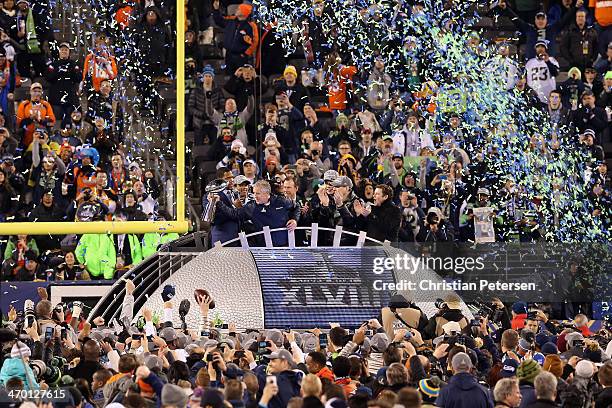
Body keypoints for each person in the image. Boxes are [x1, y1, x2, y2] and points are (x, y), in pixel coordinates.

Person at [214, 179, 299, 246]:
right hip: (263, 248)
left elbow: (297, 207)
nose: (255, 196)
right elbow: (234, 214)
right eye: (254, 193)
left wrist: (294, 220)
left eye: (257, 193)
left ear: (266, 193)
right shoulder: (251, 207)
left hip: (285, 246)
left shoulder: (282, 201)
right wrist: (219, 203)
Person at [525, 41, 559, 105]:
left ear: (545, 48)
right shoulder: (530, 62)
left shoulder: (551, 60)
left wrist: (547, 61)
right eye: (538, 46)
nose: (540, 48)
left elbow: (555, 73)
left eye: (542, 46)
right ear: (535, 49)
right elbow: (525, 79)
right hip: (534, 96)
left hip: (548, 94)